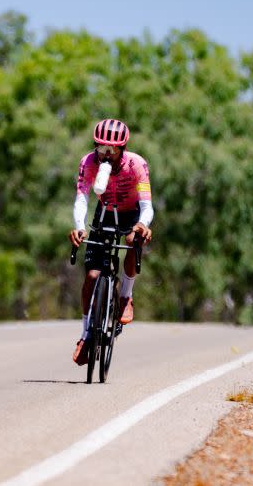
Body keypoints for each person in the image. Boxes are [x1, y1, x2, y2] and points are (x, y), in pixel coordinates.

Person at [69, 119, 154, 365]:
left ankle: (125, 296)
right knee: (92, 277)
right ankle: (86, 336)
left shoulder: (137, 164)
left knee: (130, 239)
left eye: (112, 150)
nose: (106, 155)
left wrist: (142, 225)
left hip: (132, 213)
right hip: (105, 210)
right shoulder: (88, 163)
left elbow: (147, 205)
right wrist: (78, 227)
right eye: (101, 148)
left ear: (122, 149)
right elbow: (82, 199)